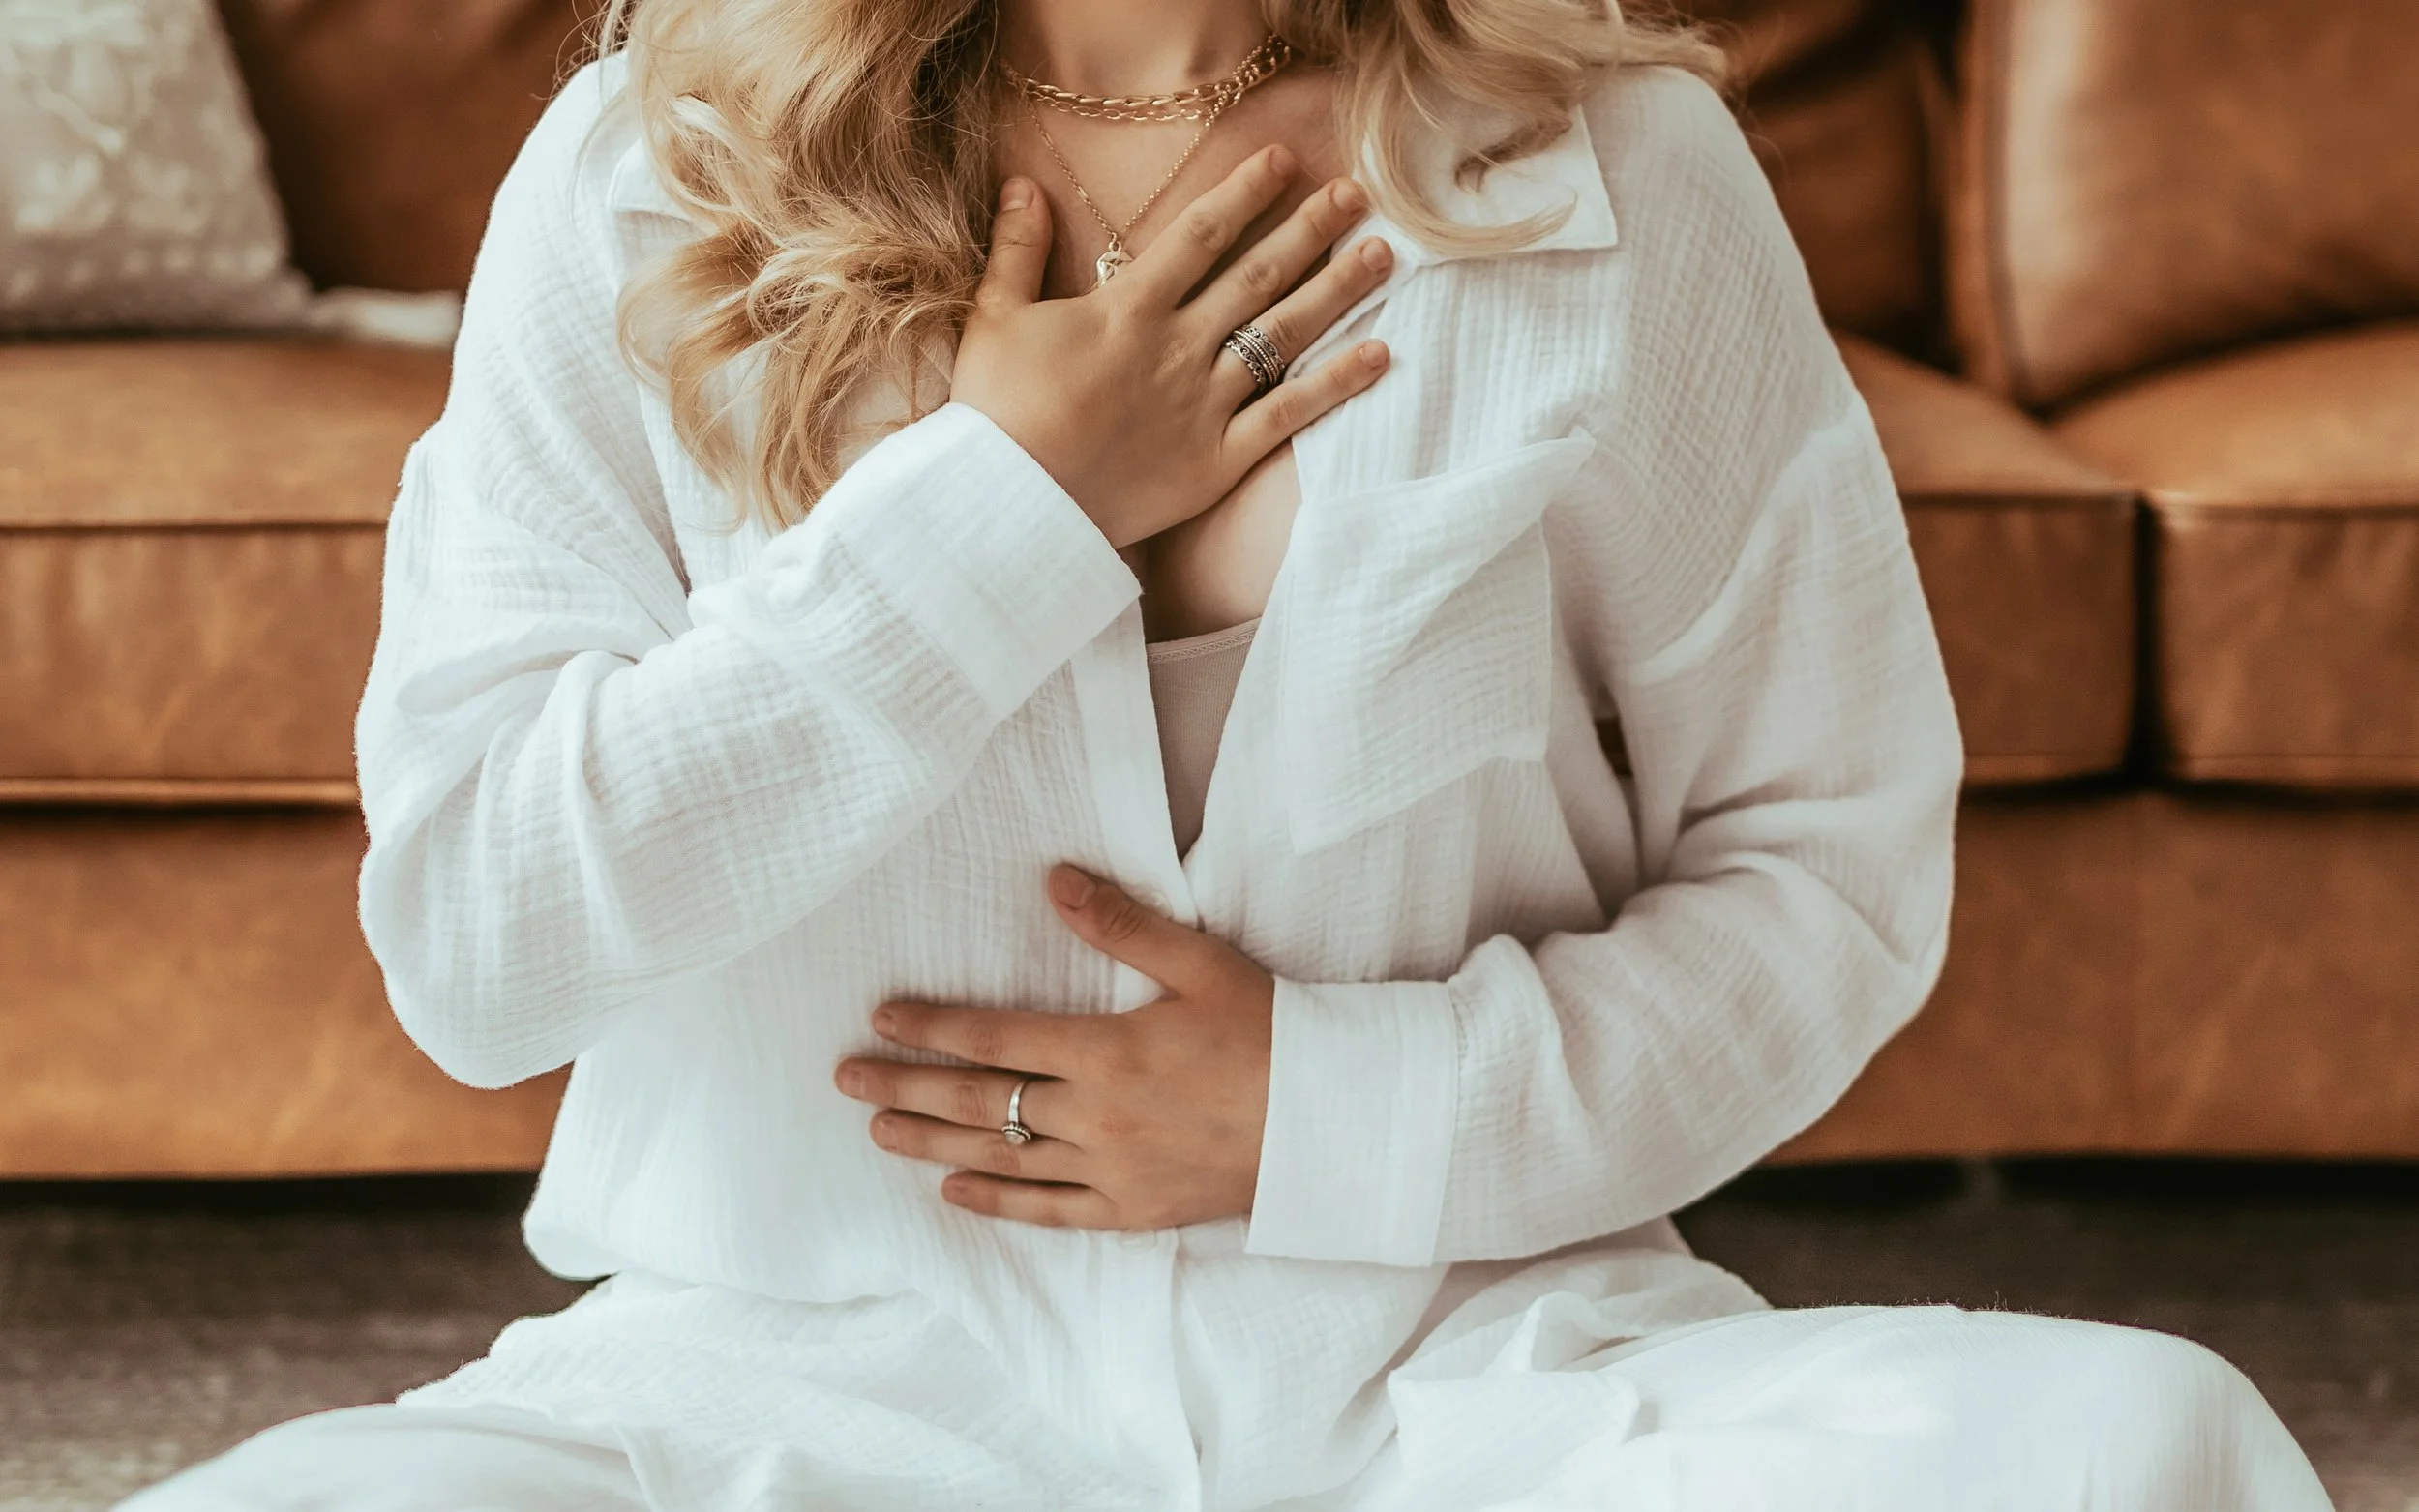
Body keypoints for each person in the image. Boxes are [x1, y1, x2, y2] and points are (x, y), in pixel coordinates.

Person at [126, 0, 2334, 1507]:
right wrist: (1001, 506)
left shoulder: (1608, 164)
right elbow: (472, 935)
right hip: (789, 1389)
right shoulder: (643, 173)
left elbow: (1827, 864)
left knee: (2141, 1449)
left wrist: (1329, 1113)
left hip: (1468, 1392)